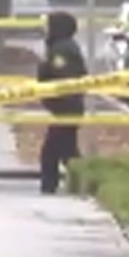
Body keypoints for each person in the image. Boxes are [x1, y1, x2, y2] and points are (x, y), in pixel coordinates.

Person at [37, 11, 87, 194]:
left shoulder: (62, 50)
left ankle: (50, 187)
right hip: (65, 109)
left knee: (52, 153)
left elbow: (64, 78)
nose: (45, 29)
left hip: (66, 109)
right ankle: (81, 182)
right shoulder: (60, 47)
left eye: (48, 25)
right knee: (67, 151)